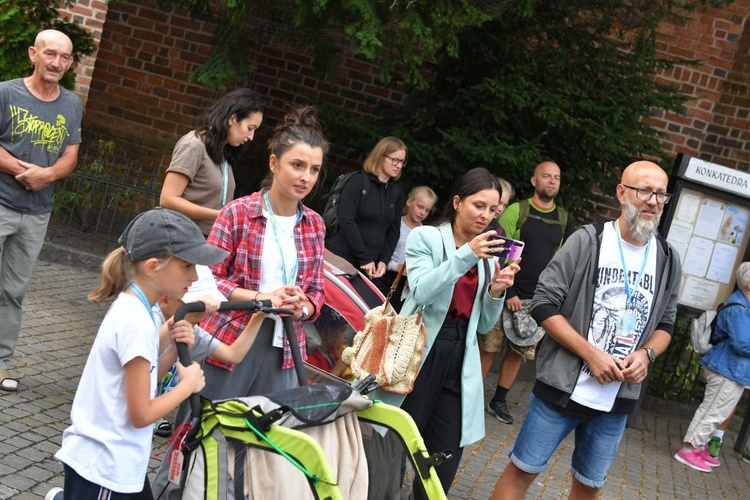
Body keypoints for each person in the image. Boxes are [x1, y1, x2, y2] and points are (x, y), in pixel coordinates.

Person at [491, 160, 682, 500]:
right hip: (562, 387)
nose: (653, 201)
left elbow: (667, 323)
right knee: (522, 472)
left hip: (616, 400)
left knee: (589, 487)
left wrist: (647, 354)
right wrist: (589, 354)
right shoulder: (588, 240)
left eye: (660, 194)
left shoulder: (667, 257)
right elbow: (544, 303)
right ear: (622, 193)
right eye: (644, 191)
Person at [48, 208, 226, 500]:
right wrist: (187, 387)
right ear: (153, 267)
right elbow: (141, 414)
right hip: (104, 468)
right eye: (187, 266)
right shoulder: (136, 322)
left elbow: (145, 372)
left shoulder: (136, 307)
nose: (195, 277)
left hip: (116, 461)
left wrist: (171, 329)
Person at [375, 167, 520, 498]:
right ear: (457, 202)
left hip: (459, 357)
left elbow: (483, 326)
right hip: (419, 351)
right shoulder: (427, 237)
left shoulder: (486, 256)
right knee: (393, 451)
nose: (486, 215)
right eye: (478, 205)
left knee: (444, 461)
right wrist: (467, 254)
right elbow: (423, 289)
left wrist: (496, 292)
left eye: (493, 209)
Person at [199, 105, 327, 399]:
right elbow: (207, 278)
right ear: (273, 163)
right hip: (233, 335)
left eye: (314, 169)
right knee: (208, 430)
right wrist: (261, 299)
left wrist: (303, 307)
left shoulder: (314, 225)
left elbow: (317, 291)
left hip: (286, 345)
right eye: (297, 165)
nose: (306, 177)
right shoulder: (238, 213)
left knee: (265, 438)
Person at [0, 29, 83, 392]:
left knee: (13, 291)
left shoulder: (71, 104)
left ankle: (0, 364)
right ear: (33, 54)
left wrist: (48, 174)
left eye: (65, 57)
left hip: (36, 213)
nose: (57, 63)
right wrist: (23, 170)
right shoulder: (6, 93)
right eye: (50, 54)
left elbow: (71, 154)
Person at [485, 161, 576, 424]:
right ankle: (469, 395)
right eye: (546, 176)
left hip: (536, 301)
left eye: (556, 177)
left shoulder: (564, 219)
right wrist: (509, 290)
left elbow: (567, 263)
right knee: (488, 347)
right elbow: (498, 248)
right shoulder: (517, 210)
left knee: (518, 353)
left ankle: (498, 400)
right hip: (506, 292)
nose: (552, 181)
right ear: (534, 180)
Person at [674, 262, 750, 472]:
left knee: (718, 410)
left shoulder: (744, 306)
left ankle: (697, 447)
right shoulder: (740, 308)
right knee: (713, 410)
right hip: (726, 368)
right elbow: (743, 343)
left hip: (732, 370)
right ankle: (689, 450)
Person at [159, 88, 265, 236]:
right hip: (179, 237)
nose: (251, 137)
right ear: (232, 119)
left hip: (204, 242)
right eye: (250, 128)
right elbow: (167, 199)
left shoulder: (223, 153)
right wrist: (218, 215)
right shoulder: (194, 145)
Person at [325, 136, 406, 293]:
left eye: (402, 162)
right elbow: (346, 220)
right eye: (394, 160)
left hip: (371, 268)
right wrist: (365, 257)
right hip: (342, 258)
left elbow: (394, 230)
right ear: (380, 156)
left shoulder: (396, 192)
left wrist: (384, 260)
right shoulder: (358, 181)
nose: (398, 165)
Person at [479, 177, 514, 378]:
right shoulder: (479, 226)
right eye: (498, 203)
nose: (500, 208)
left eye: (504, 204)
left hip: (488, 291)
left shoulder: (499, 230)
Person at [384, 185, 438, 312]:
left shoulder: (425, 234)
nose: (422, 213)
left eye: (427, 210)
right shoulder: (395, 225)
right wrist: (396, 266)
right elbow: (380, 255)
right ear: (409, 202)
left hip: (407, 290)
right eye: (420, 207)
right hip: (386, 279)